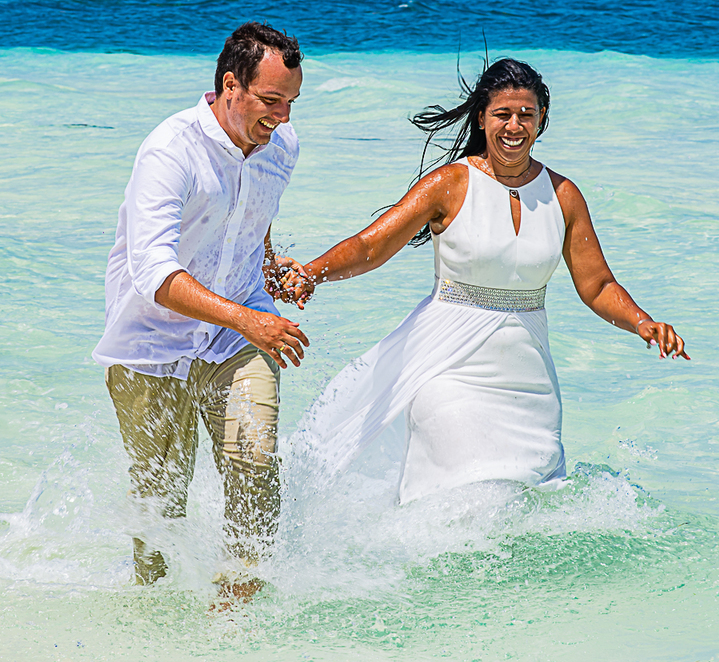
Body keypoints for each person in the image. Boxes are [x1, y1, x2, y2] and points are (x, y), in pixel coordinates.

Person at [287, 58, 688, 504]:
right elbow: (371, 246)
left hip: (529, 378)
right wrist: (312, 272)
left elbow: (597, 286)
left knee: (527, 501)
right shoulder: (450, 183)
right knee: (465, 492)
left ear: (541, 121)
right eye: (502, 114)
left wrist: (642, 322)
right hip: (447, 364)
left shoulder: (564, 195)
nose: (514, 126)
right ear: (482, 118)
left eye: (526, 115)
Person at [92, 22, 311, 595]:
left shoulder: (280, 146)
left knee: (255, 467)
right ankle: (153, 613)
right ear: (229, 85)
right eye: (270, 101)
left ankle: (235, 610)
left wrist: (267, 264)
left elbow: (249, 217)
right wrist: (249, 318)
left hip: (235, 337)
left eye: (290, 102)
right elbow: (155, 275)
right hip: (152, 343)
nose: (282, 117)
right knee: (158, 505)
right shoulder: (171, 150)